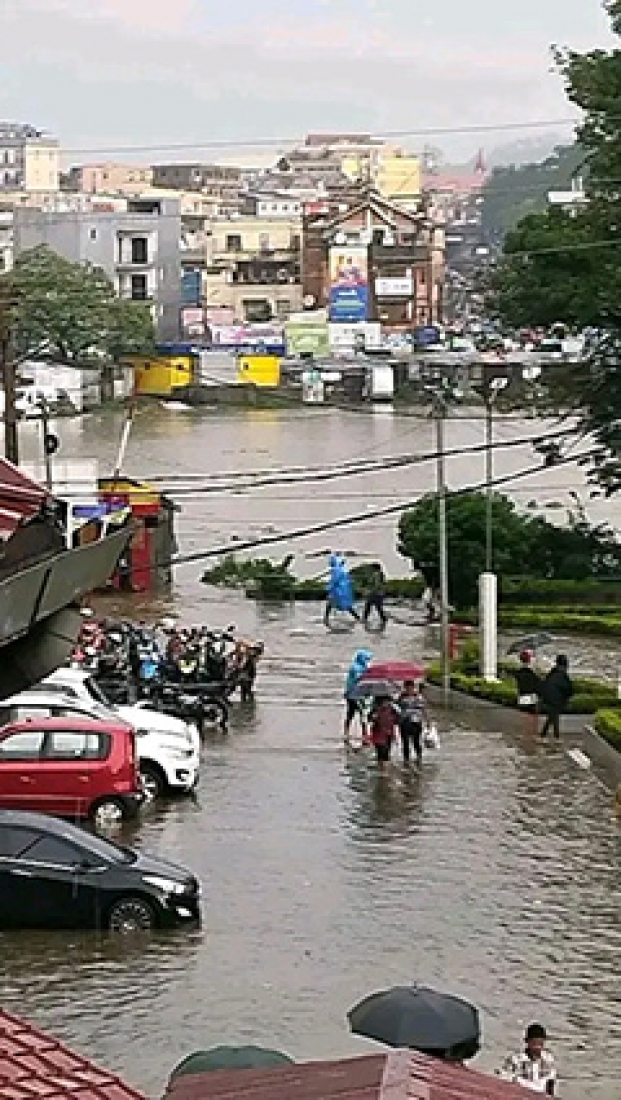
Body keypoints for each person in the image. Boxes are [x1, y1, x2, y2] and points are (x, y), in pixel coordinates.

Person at [501, 1023, 557, 1094]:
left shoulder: (548, 1060)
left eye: (540, 1044)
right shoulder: (515, 1060)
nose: (538, 1047)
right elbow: (505, 1083)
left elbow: (550, 1085)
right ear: (526, 1041)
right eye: (534, 1044)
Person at [540, 655, 573, 740]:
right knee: (554, 716)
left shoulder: (552, 673)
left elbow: (544, 684)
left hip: (549, 698)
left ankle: (547, 735)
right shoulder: (563, 676)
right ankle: (554, 736)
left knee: (552, 716)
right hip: (556, 700)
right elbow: (568, 689)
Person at [343, 649, 372, 745]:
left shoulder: (364, 667)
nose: (367, 661)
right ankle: (347, 732)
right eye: (366, 659)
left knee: (362, 714)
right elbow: (357, 679)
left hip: (360, 696)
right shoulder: (355, 668)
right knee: (351, 714)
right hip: (353, 695)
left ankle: (364, 733)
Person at [325, 553, 360, 626]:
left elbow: (335, 580)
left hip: (338, 590)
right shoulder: (340, 568)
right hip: (343, 589)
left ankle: (326, 618)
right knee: (345, 605)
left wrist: (329, 587)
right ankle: (357, 617)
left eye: (330, 561)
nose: (329, 563)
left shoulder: (336, 569)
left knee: (331, 604)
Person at [397, 680, 426, 765]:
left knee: (416, 741)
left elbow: (423, 709)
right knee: (405, 742)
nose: (409, 689)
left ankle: (419, 757)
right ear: (405, 688)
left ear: (413, 687)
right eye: (407, 687)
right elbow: (397, 708)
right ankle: (406, 759)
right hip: (404, 722)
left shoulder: (419, 697)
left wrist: (428, 721)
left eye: (411, 687)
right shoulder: (401, 697)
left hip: (416, 722)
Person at [514, 650, 542, 736]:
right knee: (533, 717)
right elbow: (538, 685)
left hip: (522, 696)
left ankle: (524, 734)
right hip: (531, 696)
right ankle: (533, 735)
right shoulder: (531, 673)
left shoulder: (518, 673)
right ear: (529, 660)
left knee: (524, 717)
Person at [369, 694, 400, 767]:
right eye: (384, 702)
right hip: (378, 734)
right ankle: (381, 766)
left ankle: (383, 767)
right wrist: (373, 717)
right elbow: (369, 718)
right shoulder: (375, 709)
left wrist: (395, 718)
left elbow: (397, 720)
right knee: (381, 751)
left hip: (388, 734)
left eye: (388, 701)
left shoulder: (392, 709)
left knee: (386, 753)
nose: (386, 703)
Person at [363, 563, 387, 629]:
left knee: (368, 606)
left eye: (371, 568)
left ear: (374, 568)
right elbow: (381, 584)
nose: (370, 569)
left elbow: (377, 585)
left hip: (375, 593)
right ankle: (384, 620)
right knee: (378, 607)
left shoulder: (376, 574)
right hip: (380, 593)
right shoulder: (381, 574)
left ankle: (364, 620)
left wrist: (371, 592)